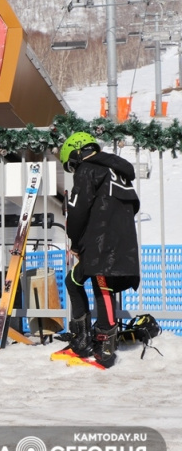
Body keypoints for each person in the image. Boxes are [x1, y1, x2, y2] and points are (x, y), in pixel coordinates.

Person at [52, 132, 140, 369]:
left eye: (72, 162)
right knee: (74, 281)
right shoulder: (118, 173)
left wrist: (76, 243)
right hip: (117, 241)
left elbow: (78, 211)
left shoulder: (88, 170)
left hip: (102, 243)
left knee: (102, 286)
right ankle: (81, 340)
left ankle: (105, 349)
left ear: (78, 152)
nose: (74, 168)